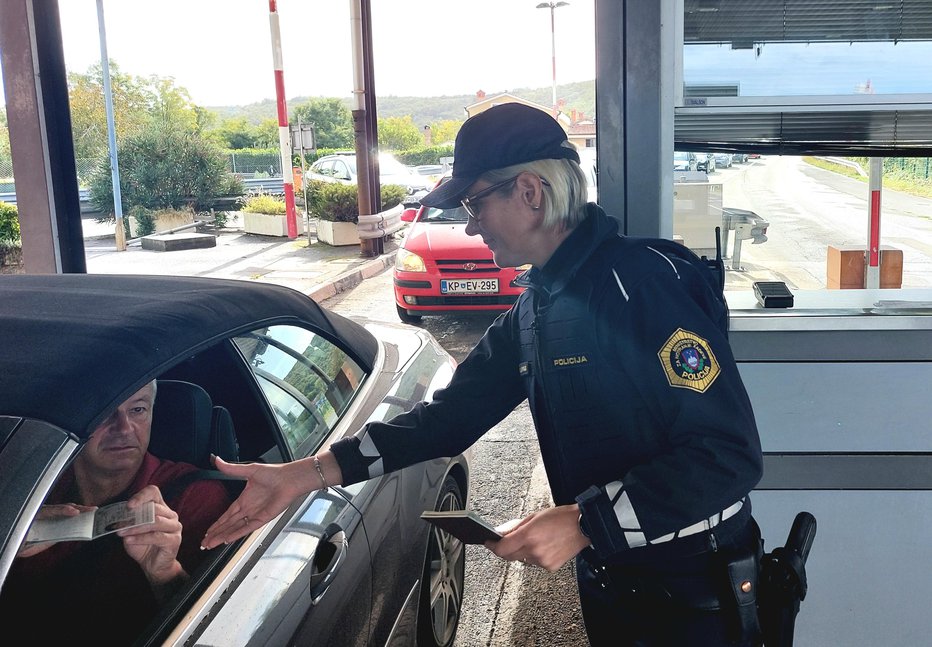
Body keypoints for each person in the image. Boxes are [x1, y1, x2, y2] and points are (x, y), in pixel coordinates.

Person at [202, 103, 764, 646]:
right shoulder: (537, 306)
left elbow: (726, 456)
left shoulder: (643, 286)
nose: (470, 227)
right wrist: (308, 473)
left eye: (475, 204)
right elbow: (446, 420)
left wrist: (587, 524)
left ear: (529, 191)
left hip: (697, 590)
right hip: (615, 582)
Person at [0, 380, 232, 645]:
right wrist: (8, 535)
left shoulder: (195, 496)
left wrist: (166, 573)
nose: (123, 428)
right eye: (104, 411)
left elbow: (217, 628)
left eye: (138, 410)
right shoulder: (26, 484)